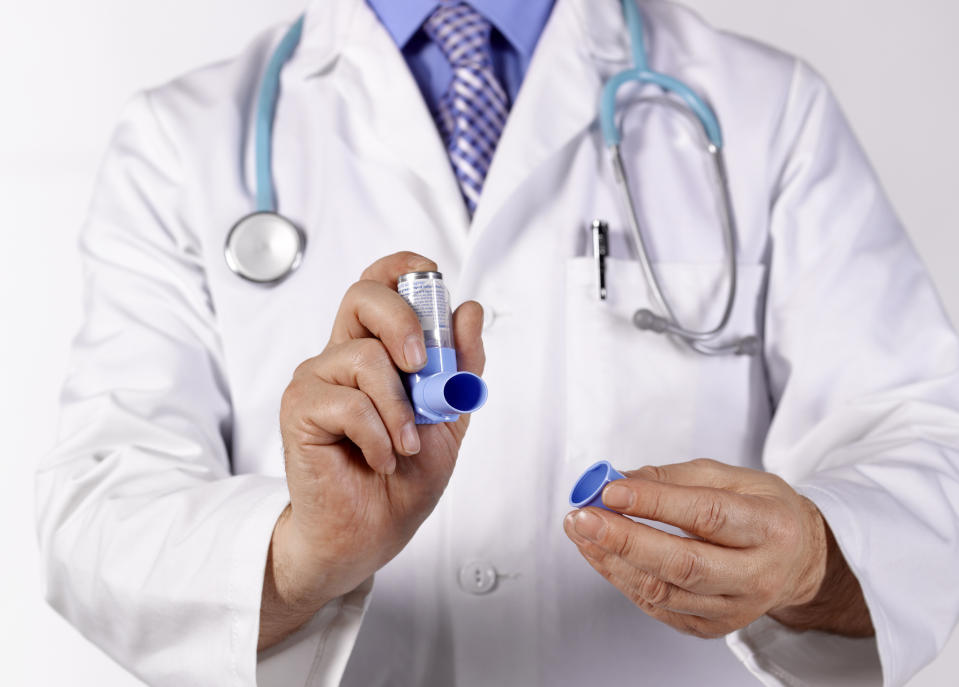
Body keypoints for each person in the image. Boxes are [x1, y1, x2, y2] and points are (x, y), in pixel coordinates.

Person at [36, 0, 959, 685]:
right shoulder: (183, 140)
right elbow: (98, 510)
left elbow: (929, 447)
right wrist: (299, 554)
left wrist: (815, 557)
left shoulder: (767, 109)